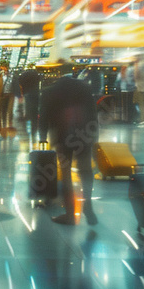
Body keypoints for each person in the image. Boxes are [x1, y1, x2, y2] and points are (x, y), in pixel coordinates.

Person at [40, 69, 99, 226]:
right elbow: (93, 113)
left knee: (65, 174)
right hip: (84, 135)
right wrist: (94, 135)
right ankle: (88, 205)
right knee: (85, 170)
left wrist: (42, 137)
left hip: (63, 137)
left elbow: (44, 116)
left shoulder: (49, 91)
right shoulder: (84, 88)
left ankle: (70, 214)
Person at [0, 60, 15, 135]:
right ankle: (0, 128)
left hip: (9, 95)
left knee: (8, 111)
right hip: (0, 95)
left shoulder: (11, 74)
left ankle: (7, 126)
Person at [17, 64, 42, 139]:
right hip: (36, 93)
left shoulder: (23, 75)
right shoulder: (36, 74)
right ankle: (34, 128)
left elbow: (20, 83)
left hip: (27, 93)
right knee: (35, 110)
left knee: (29, 108)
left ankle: (27, 120)